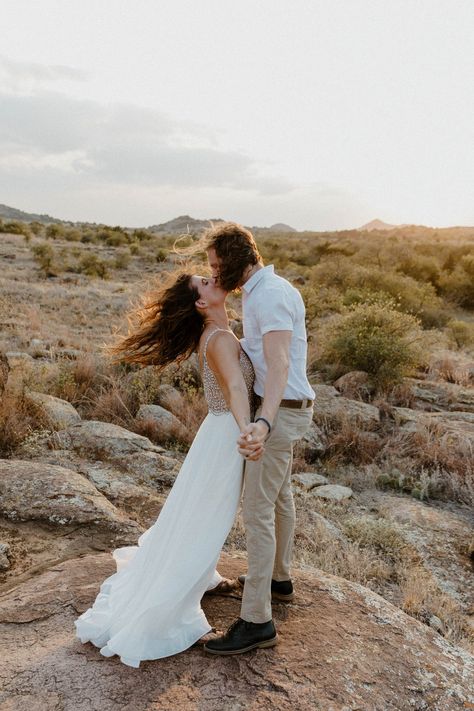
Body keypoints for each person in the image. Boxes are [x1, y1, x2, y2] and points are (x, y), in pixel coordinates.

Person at [74, 269, 260, 667]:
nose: (215, 280)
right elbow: (237, 389)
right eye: (205, 283)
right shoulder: (221, 337)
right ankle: (174, 612)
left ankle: (199, 575)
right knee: (208, 519)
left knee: (199, 514)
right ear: (200, 302)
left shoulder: (218, 333)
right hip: (227, 435)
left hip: (217, 434)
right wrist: (248, 432)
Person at [200, 222, 315, 656]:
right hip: (286, 410)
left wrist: (263, 424)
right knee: (280, 495)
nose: (211, 272)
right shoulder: (260, 291)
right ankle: (279, 579)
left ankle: (256, 621)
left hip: (280, 412)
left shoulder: (269, 294)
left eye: (215, 264)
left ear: (234, 260)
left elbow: (280, 362)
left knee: (257, 510)